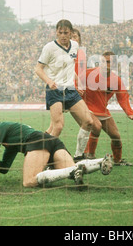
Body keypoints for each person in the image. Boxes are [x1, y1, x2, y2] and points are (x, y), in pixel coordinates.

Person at [0, 116, 114, 188]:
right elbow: (4, 167)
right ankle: (100, 162)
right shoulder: (9, 141)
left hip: (36, 141)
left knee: (29, 181)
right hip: (51, 141)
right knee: (73, 169)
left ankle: (71, 171)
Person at [35, 20, 93, 160]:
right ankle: (44, 158)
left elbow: (69, 67)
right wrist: (49, 81)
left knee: (88, 121)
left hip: (71, 90)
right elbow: (38, 69)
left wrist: (78, 83)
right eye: (60, 32)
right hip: (54, 91)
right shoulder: (49, 48)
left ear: (71, 33)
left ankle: (79, 156)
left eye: (66, 33)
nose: (62, 35)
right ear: (56, 32)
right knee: (58, 127)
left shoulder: (75, 45)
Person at [80, 51, 133, 166]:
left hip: (102, 110)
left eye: (108, 62)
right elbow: (75, 84)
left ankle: (117, 160)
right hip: (87, 108)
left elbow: (123, 98)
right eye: (103, 61)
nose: (105, 64)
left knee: (116, 136)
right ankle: (89, 155)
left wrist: (130, 113)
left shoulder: (116, 80)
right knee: (96, 127)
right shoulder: (88, 74)